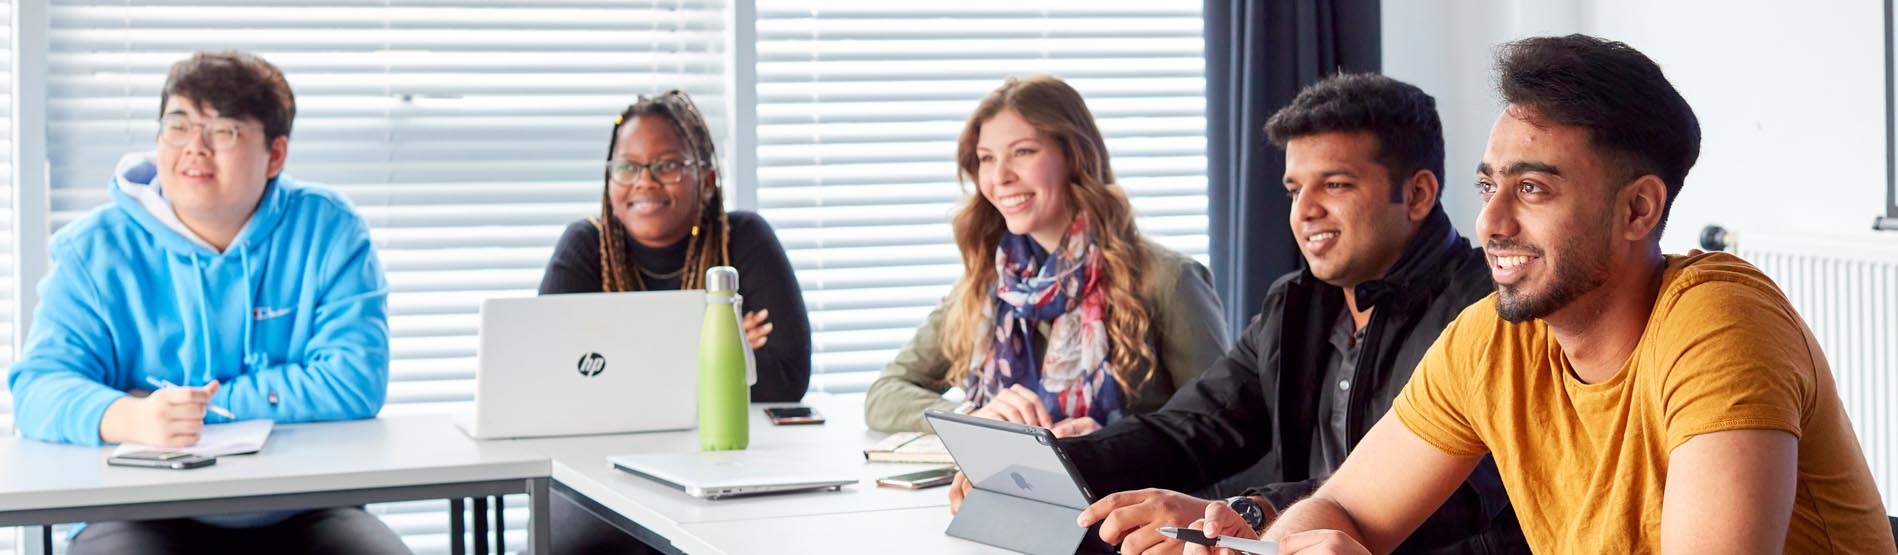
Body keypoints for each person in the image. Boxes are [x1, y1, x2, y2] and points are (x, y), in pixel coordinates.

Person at [1193, 34, 1894, 554]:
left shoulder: (1719, 322)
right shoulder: (1491, 339)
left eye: (1532, 188)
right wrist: (1307, 539)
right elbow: (1342, 506)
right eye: (1488, 185)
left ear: (1638, 210)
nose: (1492, 223)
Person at [954, 73, 1528, 554]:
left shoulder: (1491, 309)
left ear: (1420, 195)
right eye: (1293, 189)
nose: (1305, 212)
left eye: (1335, 184)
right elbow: (1192, 429)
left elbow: (1444, 496)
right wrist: (1041, 468)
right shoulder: (1294, 303)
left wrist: (1250, 512)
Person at [7, 50, 408, 554]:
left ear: (275, 155)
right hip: (135, 511)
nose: (193, 147)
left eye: (223, 131)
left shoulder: (328, 231)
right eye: (177, 125)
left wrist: (201, 409)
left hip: (306, 504)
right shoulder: (95, 249)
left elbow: (353, 381)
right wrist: (131, 417)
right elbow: (39, 386)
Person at [864, 75, 1230, 437]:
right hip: (1012, 493)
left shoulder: (1168, 279)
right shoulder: (990, 284)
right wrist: (975, 418)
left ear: (1074, 156)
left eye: (1022, 152)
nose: (1000, 176)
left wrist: (1111, 443)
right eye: (986, 159)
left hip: (1125, 492)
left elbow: (1227, 433)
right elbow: (885, 395)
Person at [539, 90, 812, 403]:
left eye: (667, 165)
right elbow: (552, 376)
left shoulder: (745, 239)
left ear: (707, 182)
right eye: (628, 167)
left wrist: (623, 360)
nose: (645, 182)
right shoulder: (585, 246)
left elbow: (785, 379)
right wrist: (718, 352)